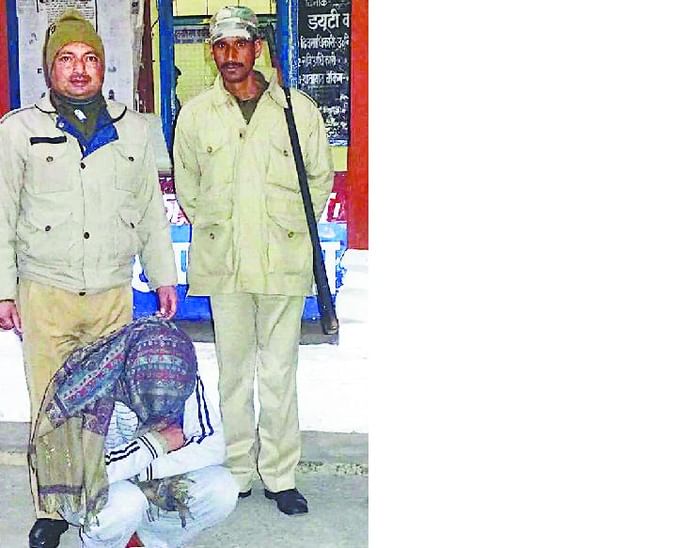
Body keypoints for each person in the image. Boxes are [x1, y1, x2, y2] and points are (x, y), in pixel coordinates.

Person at [0, 9, 178, 546]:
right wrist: (4, 290)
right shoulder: (19, 131)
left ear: (103, 66)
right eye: (66, 59)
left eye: (89, 59)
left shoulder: (134, 129)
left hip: (110, 293)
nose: (79, 70)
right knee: (51, 405)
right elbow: (2, 214)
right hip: (45, 292)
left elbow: (149, 211)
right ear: (48, 68)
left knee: (106, 406)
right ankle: (53, 510)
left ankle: (102, 500)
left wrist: (163, 276)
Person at [173, 5, 334, 516]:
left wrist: (284, 228)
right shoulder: (196, 114)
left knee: (279, 373)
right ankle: (238, 469)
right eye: (220, 46)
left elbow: (319, 179)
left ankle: (281, 475)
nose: (230, 55)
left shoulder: (296, 110)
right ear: (211, 52)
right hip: (225, 262)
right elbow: (188, 186)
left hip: (283, 260)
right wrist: (220, 225)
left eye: (240, 44)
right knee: (233, 372)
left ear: (257, 49)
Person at [30, 315, 238, 548]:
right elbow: (83, 474)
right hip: (86, 489)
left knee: (222, 488)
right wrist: (155, 444)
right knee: (127, 503)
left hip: (146, 474)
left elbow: (213, 445)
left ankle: (148, 541)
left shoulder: (179, 372)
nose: (164, 405)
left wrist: (146, 470)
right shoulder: (87, 386)